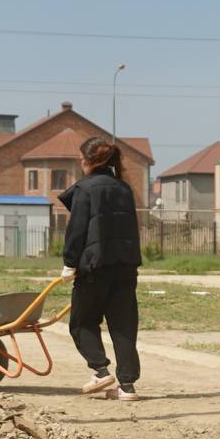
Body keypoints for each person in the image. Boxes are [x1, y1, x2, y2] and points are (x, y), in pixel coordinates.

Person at [60, 135, 143, 401]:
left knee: (82, 322)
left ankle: (100, 370)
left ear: (88, 160)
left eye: (80, 158)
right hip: (126, 266)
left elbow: (77, 230)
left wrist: (69, 263)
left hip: (95, 268)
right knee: (123, 325)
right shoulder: (124, 188)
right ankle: (127, 386)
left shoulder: (85, 189)